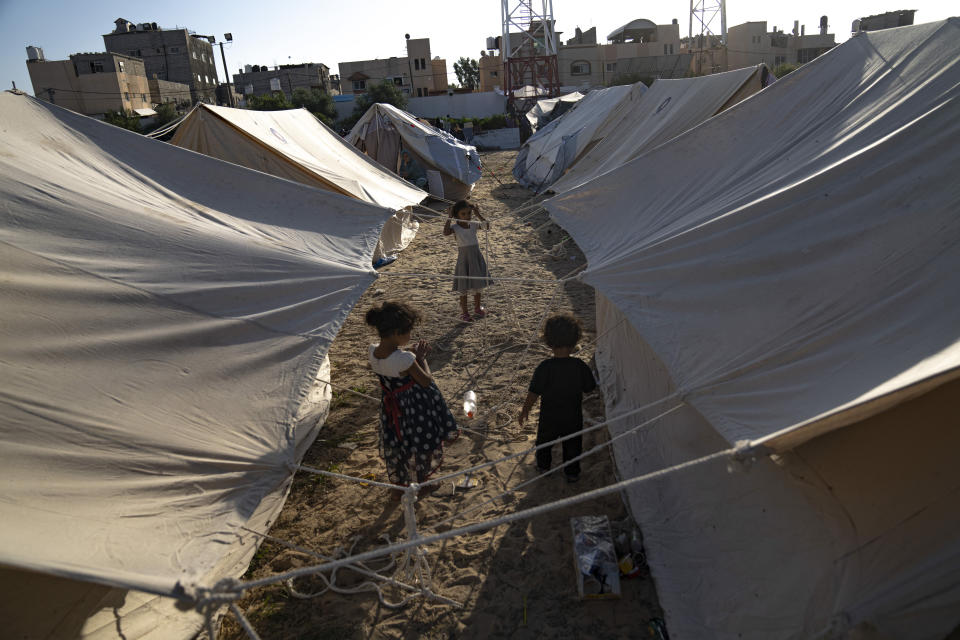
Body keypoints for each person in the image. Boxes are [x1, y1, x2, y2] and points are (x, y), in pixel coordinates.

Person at [366, 301, 459, 499]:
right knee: (422, 442)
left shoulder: (373, 351)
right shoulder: (406, 359)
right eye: (408, 332)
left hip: (392, 409)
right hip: (415, 409)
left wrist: (409, 353)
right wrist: (421, 357)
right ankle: (423, 483)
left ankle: (400, 484)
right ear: (397, 332)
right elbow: (425, 380)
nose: (410, 336)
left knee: (400, 443)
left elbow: (392, 357)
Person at [518, 313, 597, 483]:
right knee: (573, 445)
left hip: (549, 417)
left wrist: (525, 410)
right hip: (573, 417)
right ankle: (572, 473)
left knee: (544, 444)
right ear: (575, 340)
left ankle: (543, 467)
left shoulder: (544, 367)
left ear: (549, 341)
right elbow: (590, 388)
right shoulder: (580, 366)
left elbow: (533, 392)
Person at [443, 199, 494, 322]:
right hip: (464, 259)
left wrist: (477, 214)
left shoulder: (474, 225)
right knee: (463, 288)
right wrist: (449, 217)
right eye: (463, 214)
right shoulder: (455, 227)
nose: (467, 217)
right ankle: (465, 313)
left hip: (476, 257)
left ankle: (477, 308)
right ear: (457, 215)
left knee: (478, 285)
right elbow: (445, 232)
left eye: (469, 213)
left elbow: (487, 226)